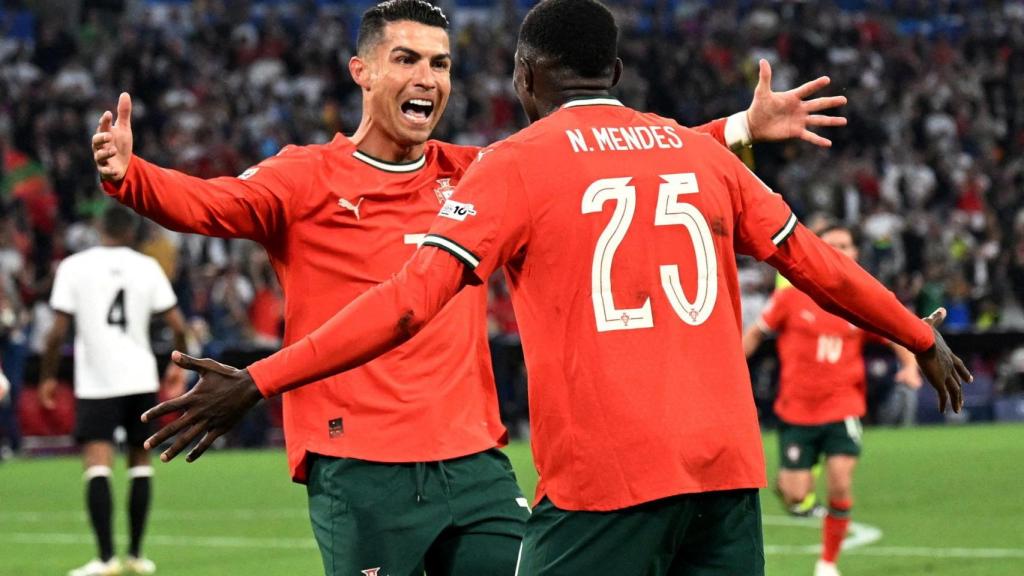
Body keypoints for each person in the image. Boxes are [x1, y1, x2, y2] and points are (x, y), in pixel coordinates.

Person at [141, 1, 971, 574]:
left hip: (606, 481)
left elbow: (403, 302)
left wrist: (259, 379)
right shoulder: (699, 154)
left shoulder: (514, 167)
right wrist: (917, 332)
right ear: (613, 67)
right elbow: (817, 265)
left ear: (523, 77)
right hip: (724, 472)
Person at [742, 224, 922, 576]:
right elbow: (755, 333)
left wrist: (911, 366)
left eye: (847, 245)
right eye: (833, 244)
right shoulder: (790, 297)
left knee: (840, 482)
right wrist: (730, 367)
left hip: (842, 407)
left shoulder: (859, 298)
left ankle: (827, 563)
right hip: (796, 410)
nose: (841, 250)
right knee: (795, 495)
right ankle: (798, 477)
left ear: (855, 253)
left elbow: (896, 329)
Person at [39, 205, 187, 576]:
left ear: (100, 229)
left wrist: (47, 376)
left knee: (97, 465)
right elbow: (177, 324)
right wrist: (176, 366)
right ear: (132, 233)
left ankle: (105, 559)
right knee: (140, 465)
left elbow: (57, 331)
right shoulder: (146, 266)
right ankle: (136, 555)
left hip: (97, 381)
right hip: (139, 376)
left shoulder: (74, 267)